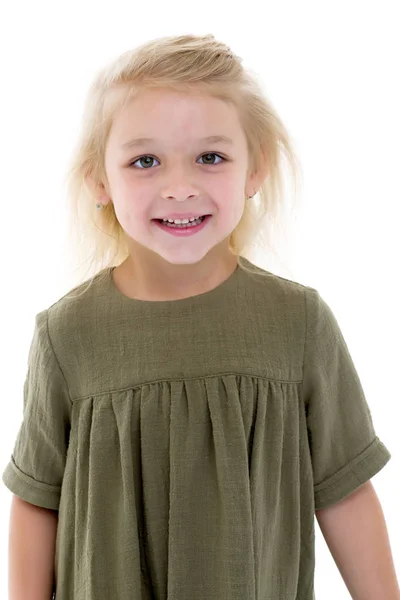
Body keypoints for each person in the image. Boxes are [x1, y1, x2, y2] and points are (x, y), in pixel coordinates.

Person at [1, 34, 396, 600]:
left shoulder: (297, 322)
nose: (179, 188)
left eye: (210, 157)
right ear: (99, 180)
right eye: (145, 161)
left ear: (254, 170)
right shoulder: (67, 334)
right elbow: (37, 498)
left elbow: (344, 488)